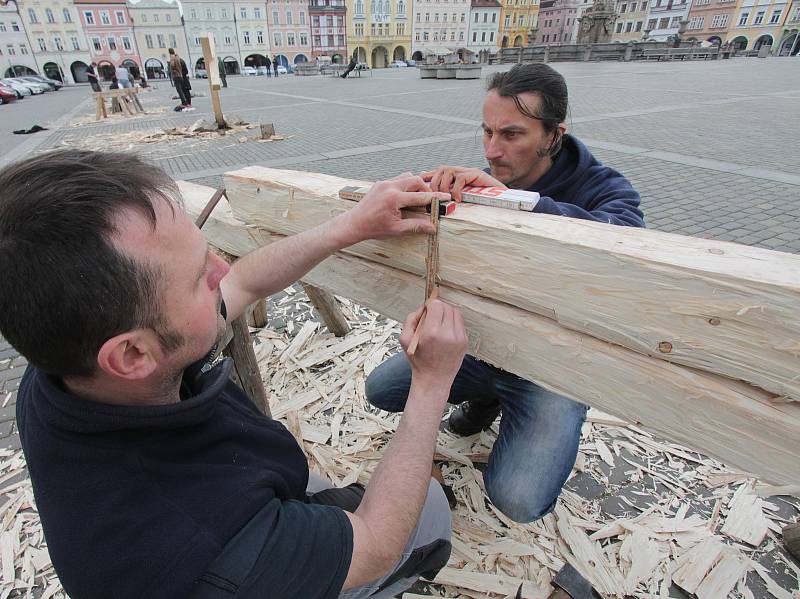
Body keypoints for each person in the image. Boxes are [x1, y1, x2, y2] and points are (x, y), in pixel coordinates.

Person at [0, 150, 463, 599]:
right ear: (132, 354)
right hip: (236, 566)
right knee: (430, 510)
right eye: (199, 277)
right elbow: (376, 545)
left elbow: (243, 282)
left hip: (240, 514)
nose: (222, 270)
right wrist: (430, 383)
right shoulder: (206, 545)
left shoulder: (66, 368)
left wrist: (350, 225)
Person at [366, 63, 645, 524]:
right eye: (487, 132)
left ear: (554, 135)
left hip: (553, 367)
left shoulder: (604, 187)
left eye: (512, 134)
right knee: (380, 390)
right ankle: (489, 396)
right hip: (482, 347)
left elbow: (626, 238)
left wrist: (517, 203)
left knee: (517, 498)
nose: (493, 151)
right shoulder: (486, 175)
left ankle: (508, 402)